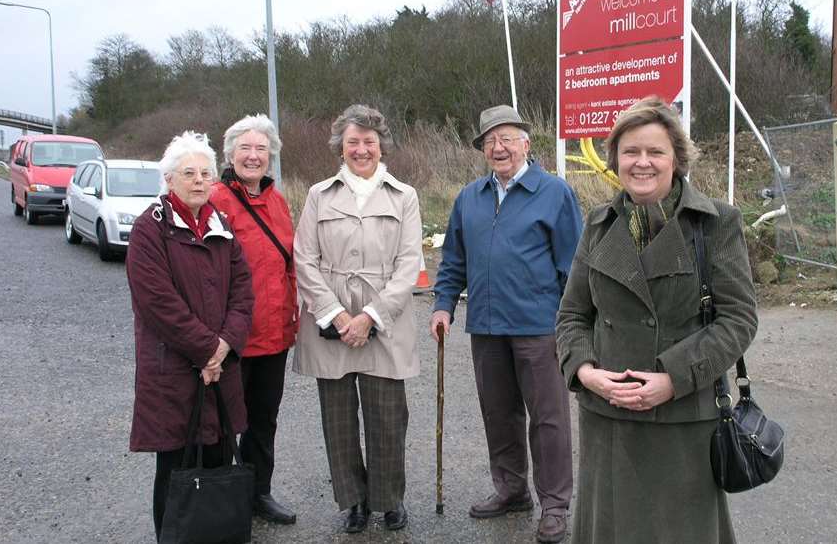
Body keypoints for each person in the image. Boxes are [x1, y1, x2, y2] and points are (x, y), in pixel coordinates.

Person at [555, 96, 759, 543]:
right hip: (608, 418)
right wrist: (586, 373)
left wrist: (671, 378)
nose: (642, 162)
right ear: (615, 160)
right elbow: (571, 315)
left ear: (677, 159)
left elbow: (739, 319)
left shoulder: (716, 223)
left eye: (655, 152)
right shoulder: (598, 224)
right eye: (630, 152)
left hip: (684, 419)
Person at [430, 105, 583, 544]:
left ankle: (554, 504)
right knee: (499, 414)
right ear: (482, 149)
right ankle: (512, 489)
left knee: (548, 418)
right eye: (490, 141)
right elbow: (453, 261)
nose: (499, 148)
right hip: (486, 327)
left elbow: (573, 267)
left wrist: (575, 324)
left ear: (526, 143)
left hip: (539, 327)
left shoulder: (554, 193)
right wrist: (443, 305)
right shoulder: (469, 198)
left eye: (507, 138)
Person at [292, 105, 422, 534]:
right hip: (331, 324)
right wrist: (336, 316)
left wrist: (369, 317)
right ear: (341, 147)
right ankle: (353, 502)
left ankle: (388, 501)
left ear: (381, 145)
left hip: (383, 324)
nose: (362, 149)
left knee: (387, 419)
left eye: (369, 141)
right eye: (353, 142)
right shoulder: (318, 195)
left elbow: (409, 266)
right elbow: (305, 260)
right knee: (339, 420)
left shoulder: (404, 196)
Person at [126, 131, 253, 541]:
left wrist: (225, 345)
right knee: (177, 470)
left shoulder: (223, 225)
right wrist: (207, 349)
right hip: (175, 373)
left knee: (218, 459)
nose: (199, 180)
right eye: (189, 173)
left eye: (205, 173)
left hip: (220, 368)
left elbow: (242, 291)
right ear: (169, 179)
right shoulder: (151, 229)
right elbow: (157, 302)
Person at [208, 114, 298, 524]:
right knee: (223, 423)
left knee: (264, 422)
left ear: (271, 157)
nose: (253, 156)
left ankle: (258, 493)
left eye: (261, 149)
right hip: (233, 339)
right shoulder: (213, 200)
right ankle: (221, 499)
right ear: (229, 154)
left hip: (274, 336)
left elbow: (290, 263)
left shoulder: (278, 202)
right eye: (245, 148)